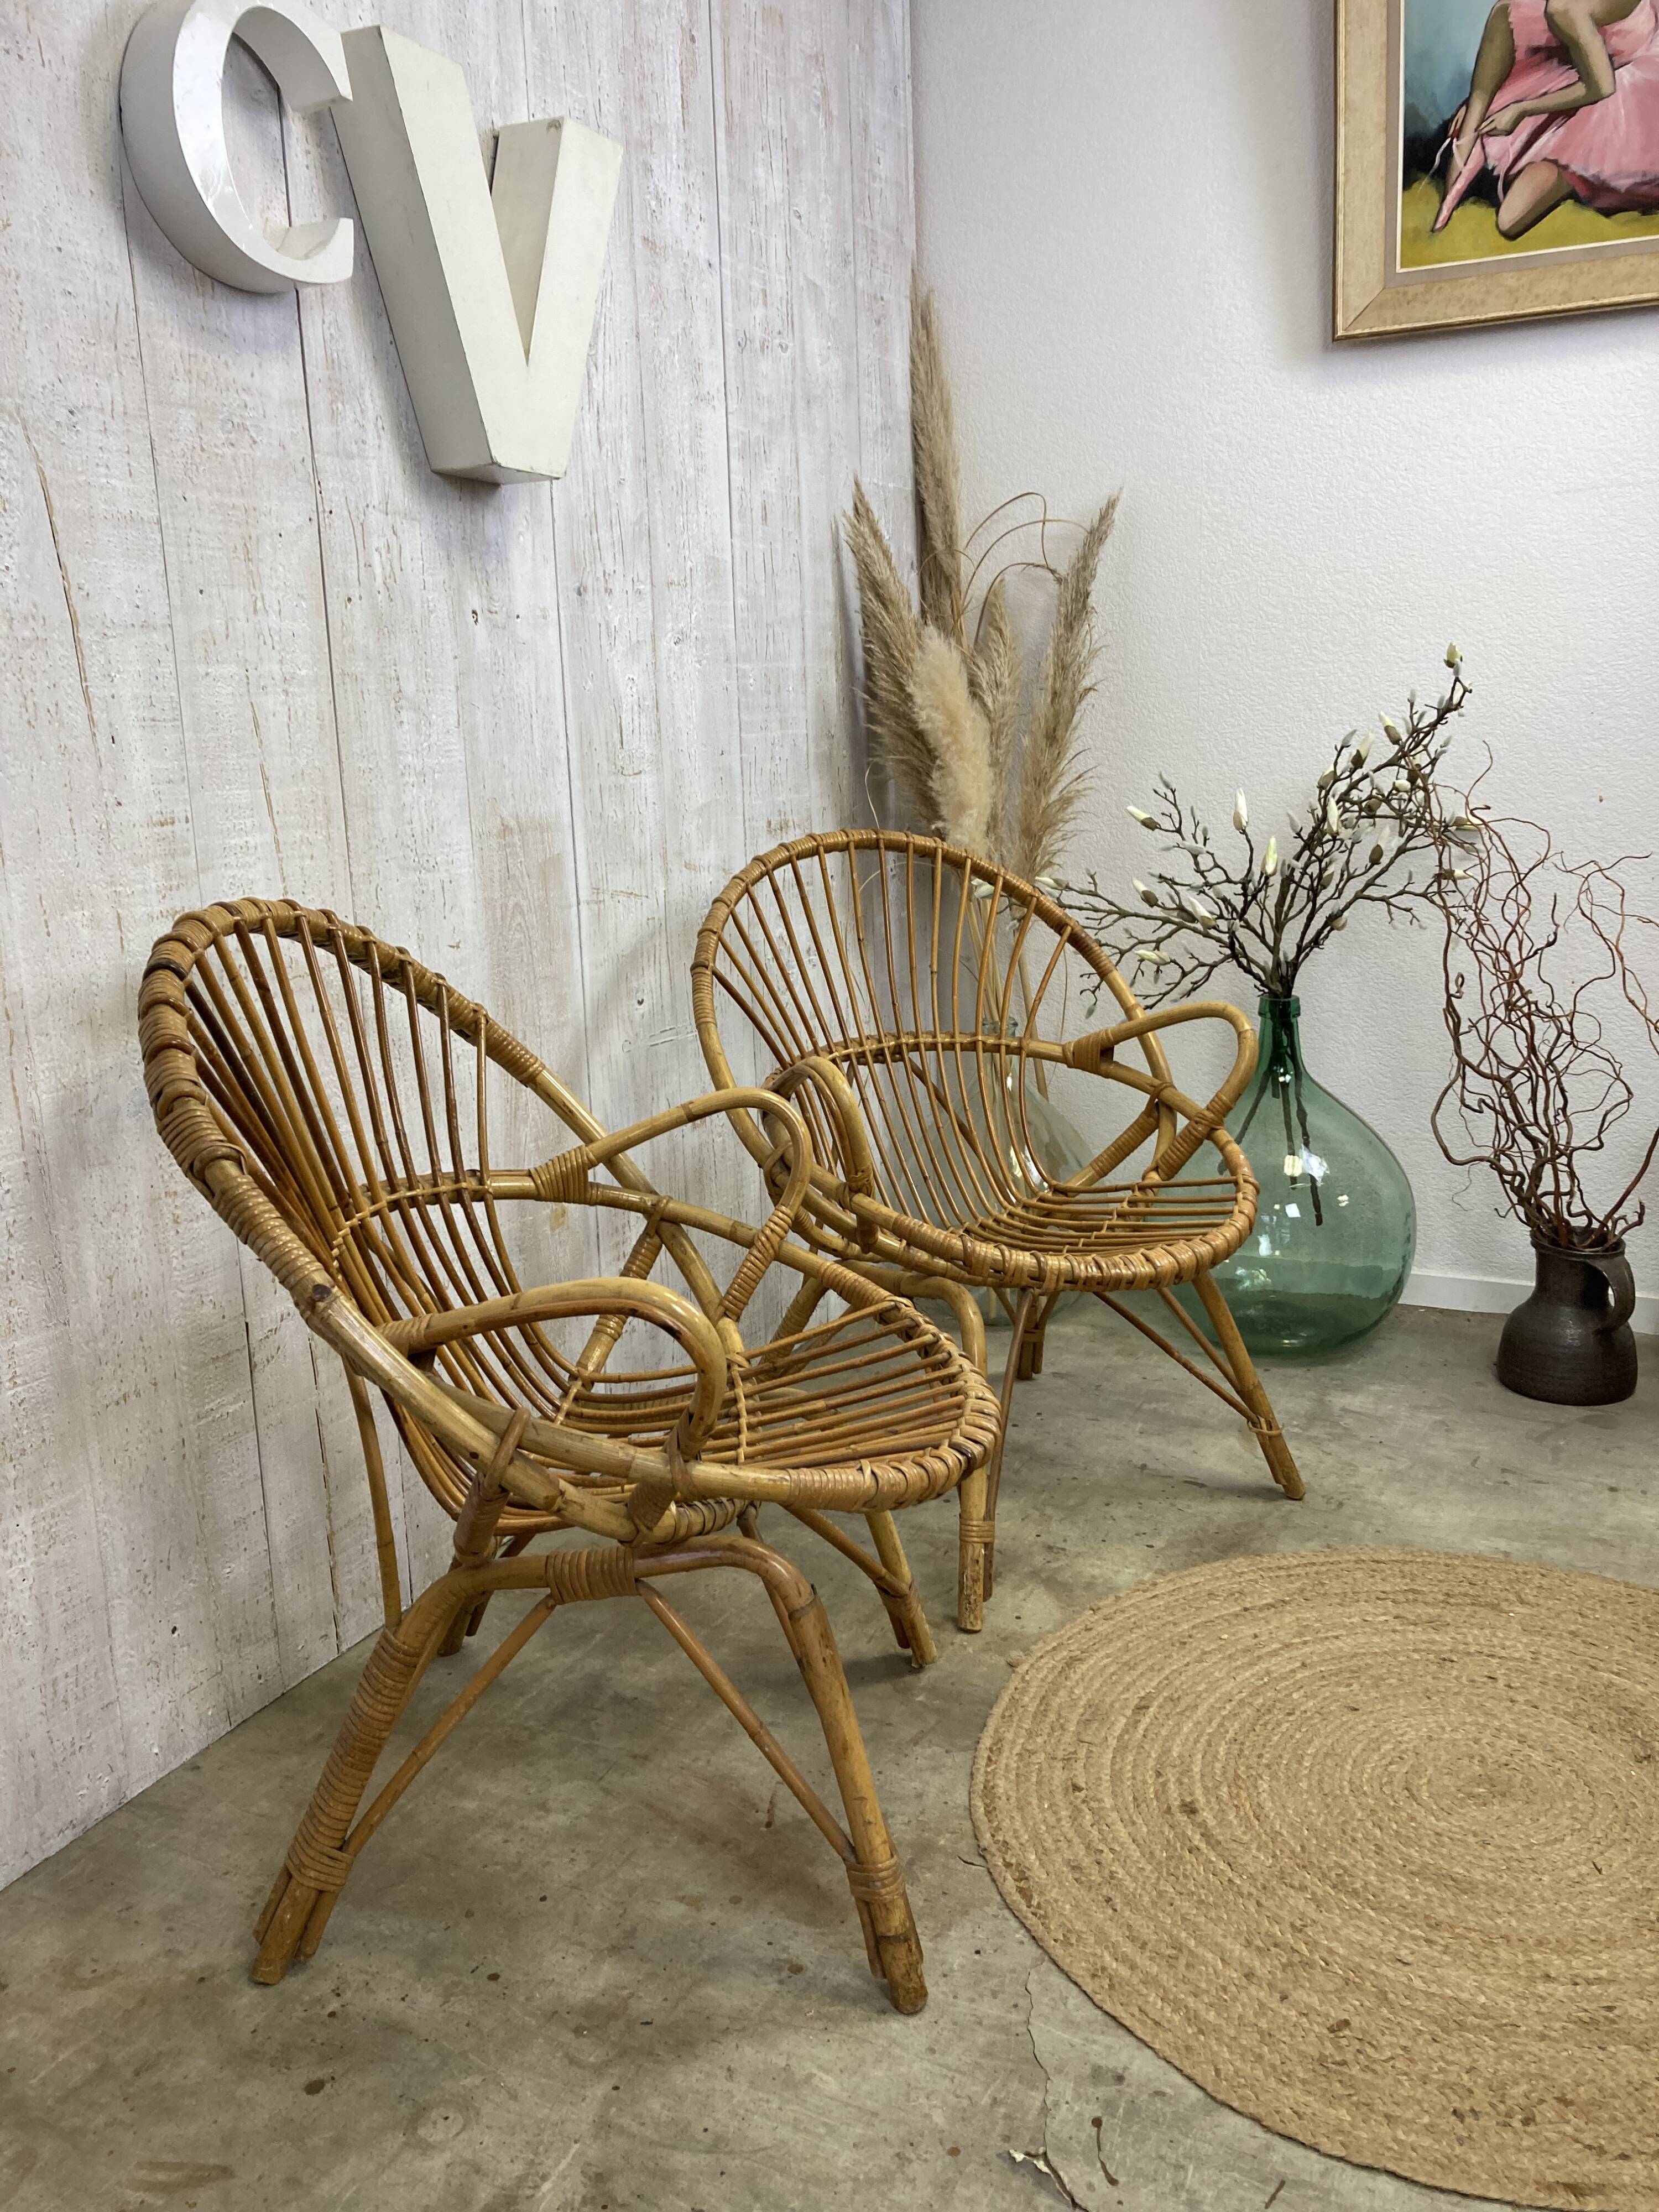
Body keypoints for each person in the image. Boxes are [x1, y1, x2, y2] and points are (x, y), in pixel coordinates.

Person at [1434, 0, 1659, 237]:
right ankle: (1567, 172)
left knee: (1511, 222)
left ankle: (1579, 176)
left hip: (1632, 93)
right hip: (1576, 88)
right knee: (1509, 223)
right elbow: (1480, 102)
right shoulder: (1511, 11)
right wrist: (1447, 207)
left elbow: (1602, 88)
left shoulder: (1563, 9)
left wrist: (1521, 110)